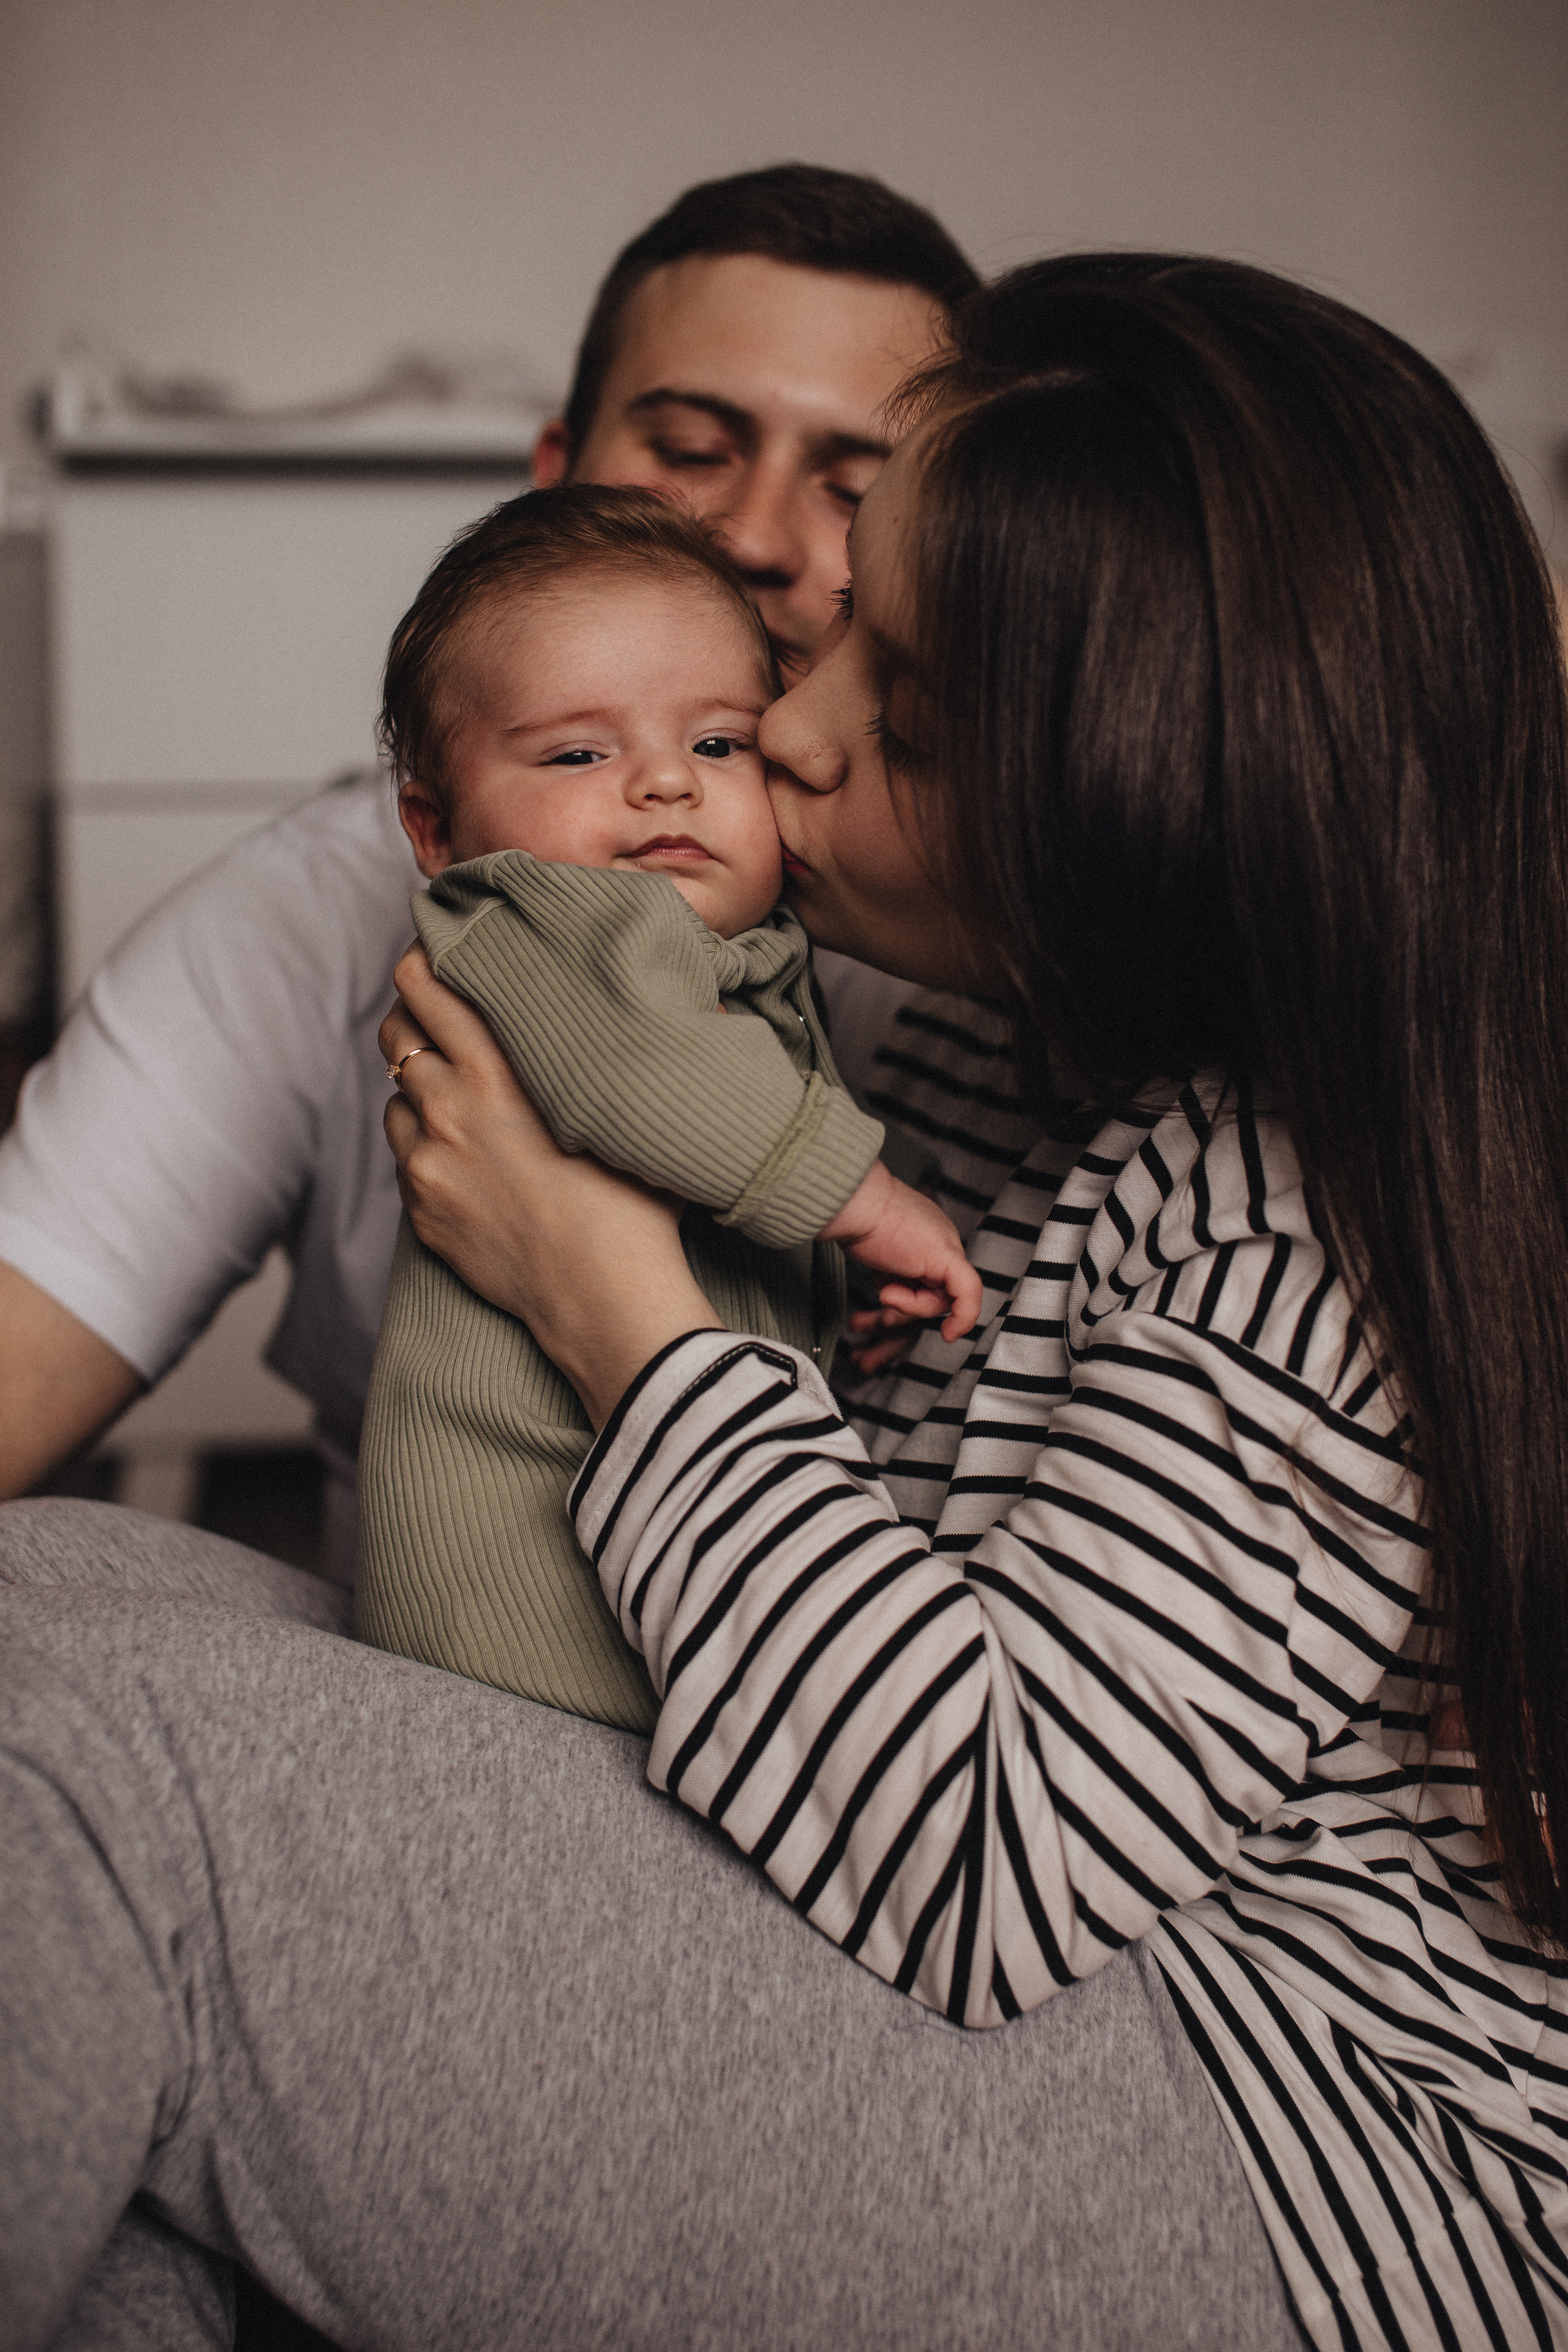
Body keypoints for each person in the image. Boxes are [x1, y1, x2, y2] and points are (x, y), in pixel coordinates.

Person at [9, 247, 1564, 2352]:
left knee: (91, 1778)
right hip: (906, 1883)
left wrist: (613, 1305)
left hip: (1284, 2134)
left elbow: (990, 1854)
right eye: (821, 637)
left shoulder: (1292, 1234)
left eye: (895, 718)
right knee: (50, 1588)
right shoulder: (929, 1018)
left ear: (1142, 819)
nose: (784, 747)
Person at [0, 165, 979, 1537]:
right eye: (693, 450)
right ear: (549, 479)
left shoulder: (961, 940)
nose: (753, 535)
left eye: (853, 490)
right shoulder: (312, 909)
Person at [356, 483, 977, 1730]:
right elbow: (640, 1075)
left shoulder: (748, 958)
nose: (663, 789)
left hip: (638, 1533)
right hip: (518, 1581)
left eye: (717, 744)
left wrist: (830, 1288)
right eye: (579, 754)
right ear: (436, 828)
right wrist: (869, 1203)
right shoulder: (531, 914)